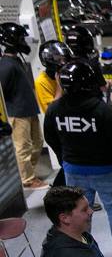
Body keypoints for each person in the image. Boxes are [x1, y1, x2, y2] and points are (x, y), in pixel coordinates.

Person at [44, 60, 112, 257]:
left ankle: (84, 256)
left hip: (74, 169)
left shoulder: (55, 110)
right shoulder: (100, 109)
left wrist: (65, 158)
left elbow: (50, 137)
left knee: (79, 214)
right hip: (105, 169)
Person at [0, 22, 47, 190]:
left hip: (28, 111)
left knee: (37, 143)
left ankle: (27, 174)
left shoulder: (16, 61)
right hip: (18, 114)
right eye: (20, 38)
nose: (23, 42)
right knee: (23, 148)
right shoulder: (5, 65)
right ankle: (27, 179)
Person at [35, 40, 75, 190]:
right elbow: (52, 109)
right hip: (56, 130)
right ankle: (59, 193)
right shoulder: (42, 82)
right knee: (68, 164)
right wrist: (59, 86)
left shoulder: (66, 74)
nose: (63, 63)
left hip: (69, 124)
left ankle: (71, 195)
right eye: (59, 60)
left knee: (73, 163)